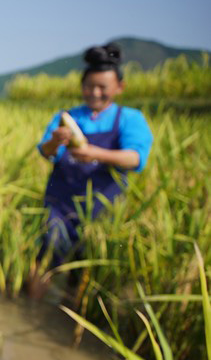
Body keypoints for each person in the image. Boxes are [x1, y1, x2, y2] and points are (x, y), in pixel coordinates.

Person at [30, 43, 153, 296]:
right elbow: (45, 152)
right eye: (88, 87)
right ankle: (34, 304)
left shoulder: (129, 119)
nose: (94, 93)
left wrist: (96, 154)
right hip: (60, 204)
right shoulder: (67, 117)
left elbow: (135, 158)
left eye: (102, 88)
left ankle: (72, 314)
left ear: (120, 87)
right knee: (46, 256)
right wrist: (56, 140)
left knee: (88, 271)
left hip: (102, 209)